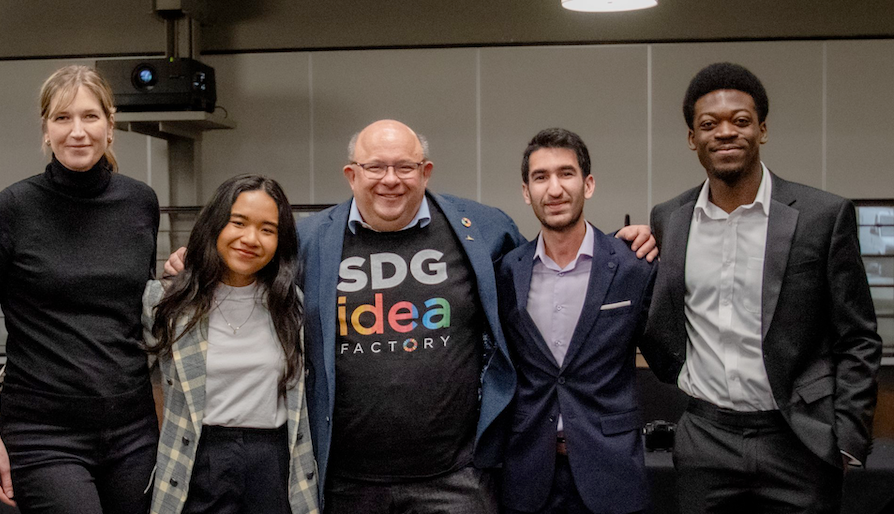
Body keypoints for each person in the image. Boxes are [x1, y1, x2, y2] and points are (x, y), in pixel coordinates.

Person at [169, 119, 656, 512]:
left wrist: (621, 244)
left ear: (425, 171)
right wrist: (192, 261)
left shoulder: (482, 229)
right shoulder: (310, 238)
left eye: (404, 167)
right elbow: (248, 267)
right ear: (351, 174)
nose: (390, 179)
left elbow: (545, 261)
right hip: (346, 481)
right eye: (375, 166)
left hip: (457, 479)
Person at [643, 62, 883, 513]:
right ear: (692, 138)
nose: (725, 133)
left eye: (741, 120)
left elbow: (859, 337)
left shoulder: (821, 216)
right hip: (705, 439)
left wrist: (848, 438)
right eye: (709, 124)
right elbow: (660, 314)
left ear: (763, 130)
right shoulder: (669, 219)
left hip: (799, 441)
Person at [0, 64, 161, 513]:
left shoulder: (141, 203)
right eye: (62, 118)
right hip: (42, 433)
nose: (77, 131)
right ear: (46, 130)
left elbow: (136, 305)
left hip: (132, 427)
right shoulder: (13, 208)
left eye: (90, 116)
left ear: (111, 125)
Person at [495, 128, 655, 514]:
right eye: (540, 177)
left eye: (566, 174)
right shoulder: (505, 274)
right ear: (525, 191)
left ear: (588, 184)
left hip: (612, 470)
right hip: (529, 475)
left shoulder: (633, 266)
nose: (554, 189)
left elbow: (670, 356)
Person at [143, 174, 319, 514]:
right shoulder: (167, 301)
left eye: (267, 229)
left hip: (274, 461)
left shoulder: (291, 304)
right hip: (198, 455)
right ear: (215, 225)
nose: (251, 238)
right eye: (238, 222)